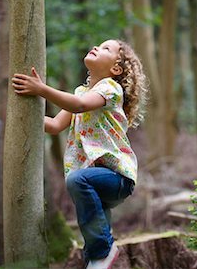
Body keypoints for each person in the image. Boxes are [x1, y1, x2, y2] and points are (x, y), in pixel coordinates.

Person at [12, 39, 147, 269]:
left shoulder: (110, 89)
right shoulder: (82, 92)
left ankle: (104, 250)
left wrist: (41, 89)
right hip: (96, 180)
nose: (96, 47)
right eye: (98, 45)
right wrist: (19, 116)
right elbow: (55, 125)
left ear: (116, 69)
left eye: (106, 49)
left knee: (77, 181)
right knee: (91, 245)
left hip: (117, 177)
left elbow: (79, 106)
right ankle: (95, 259)